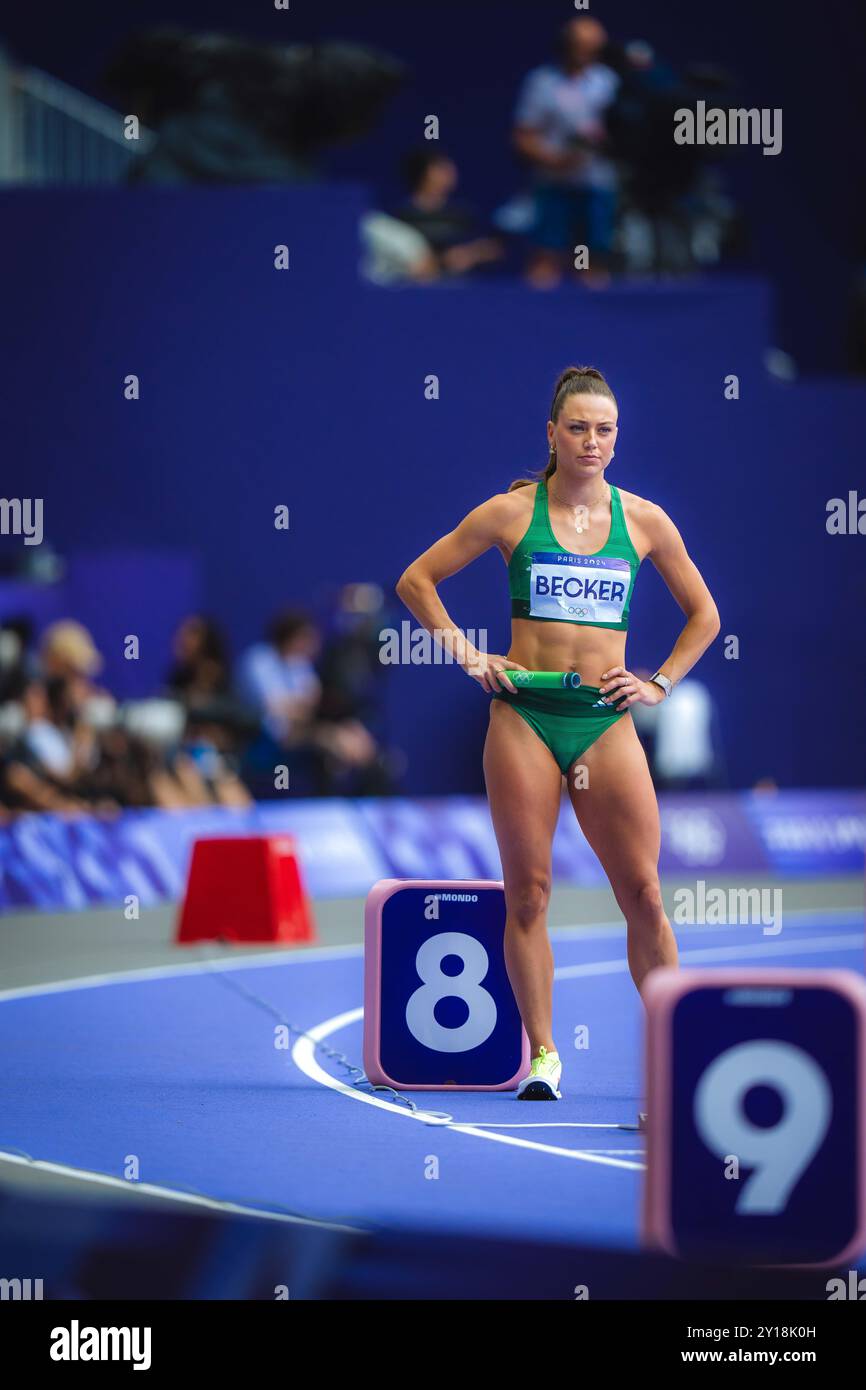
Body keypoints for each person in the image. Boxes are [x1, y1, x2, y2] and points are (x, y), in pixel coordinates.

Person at [396, 365, 720, 1103]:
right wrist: (468, 654)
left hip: (605, 722)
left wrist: (659, 682)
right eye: (577, 427)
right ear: (551, 434)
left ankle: (674, 1061)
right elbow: (417, 580)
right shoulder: (512, 513)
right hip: (525, 717)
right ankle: (544, 1054)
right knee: (530, 896)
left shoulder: (644, 520)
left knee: (642, 892)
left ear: (617, 437)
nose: (592, 441)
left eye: (604, 429)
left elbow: (706, 616)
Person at [511, 16, 620, 288]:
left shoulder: (609, 83)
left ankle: (596, 325)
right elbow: (523, 136)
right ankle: (534, 323)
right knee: (545, 257)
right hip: (553, 185)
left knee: (593, 260)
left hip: (597, 184)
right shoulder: (542, 82)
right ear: (565, 44)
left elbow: (623, 134)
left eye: (592, 46)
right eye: (578, 44)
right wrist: (554, 160)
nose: (584, 52)